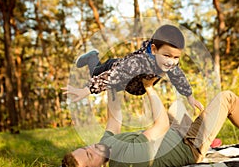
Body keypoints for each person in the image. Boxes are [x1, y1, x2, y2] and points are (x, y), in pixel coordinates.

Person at [61, 77, 239, 167]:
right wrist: (148, 88)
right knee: (227, 98)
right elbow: (161, 125)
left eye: (86, 146)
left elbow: (114, 119)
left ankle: (210, 137)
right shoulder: (126, 158)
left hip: (174, 136)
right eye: (90, 153)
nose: (93, 146)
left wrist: (111, 85)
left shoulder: (104, 147)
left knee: (177, 106)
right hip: (188, 147)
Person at [71, 24, 204, 111]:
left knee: (115, 88)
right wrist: (88, 89)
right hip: (113, 69)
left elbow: (178, 77)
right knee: (95, 72)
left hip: (129, 83)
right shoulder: (138, 63)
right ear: (154, 49)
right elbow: (112, 76)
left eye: (176, 57)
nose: (171, 62)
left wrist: (189, 96)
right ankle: (92, 56)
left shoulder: (170, 63)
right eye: (167, 55)